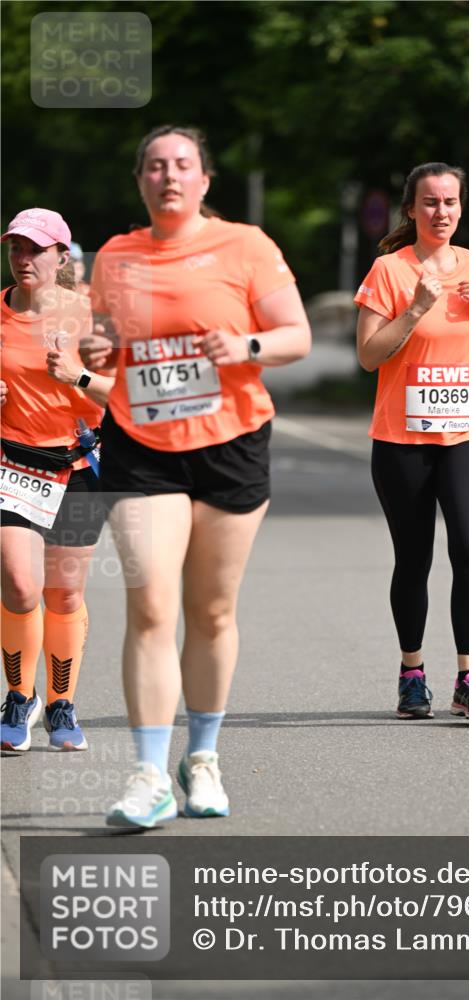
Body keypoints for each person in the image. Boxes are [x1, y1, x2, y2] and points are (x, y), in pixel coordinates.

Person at [80, 124, 311, 827]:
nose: (169, 176)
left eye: (182, 164)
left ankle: (202, 757)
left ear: (205, 179)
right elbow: (103, 343)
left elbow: (295, 336)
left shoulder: (246, 246)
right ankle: (149, 774)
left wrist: (244, 345)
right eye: (155, 166)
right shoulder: (116, 256)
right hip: (141, 447)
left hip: (230, 444)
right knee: (151, 604)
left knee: (210, 611)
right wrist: (97, 350)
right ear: (140, 181)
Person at [355, 162, 469, 721]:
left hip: (467, 433)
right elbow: (368, 355)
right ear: (411, 209)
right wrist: (417, 309)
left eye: (450, 201)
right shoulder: (389, 270)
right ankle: (412, 674)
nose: (440, 211)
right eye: (430, 202)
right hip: (401, 438)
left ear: (460, 208)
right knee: (414, 557)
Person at [0, 208, 111, 752]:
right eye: (16, 248)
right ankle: (18, 698)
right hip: (11, 464)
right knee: (20, 585)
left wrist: (79, 376)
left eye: (35, 250)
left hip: (78, 464)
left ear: (62, 256)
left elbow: (128, 393)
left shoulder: (92, 313)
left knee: (64, 594)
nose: (23, 259)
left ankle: (61, 705)